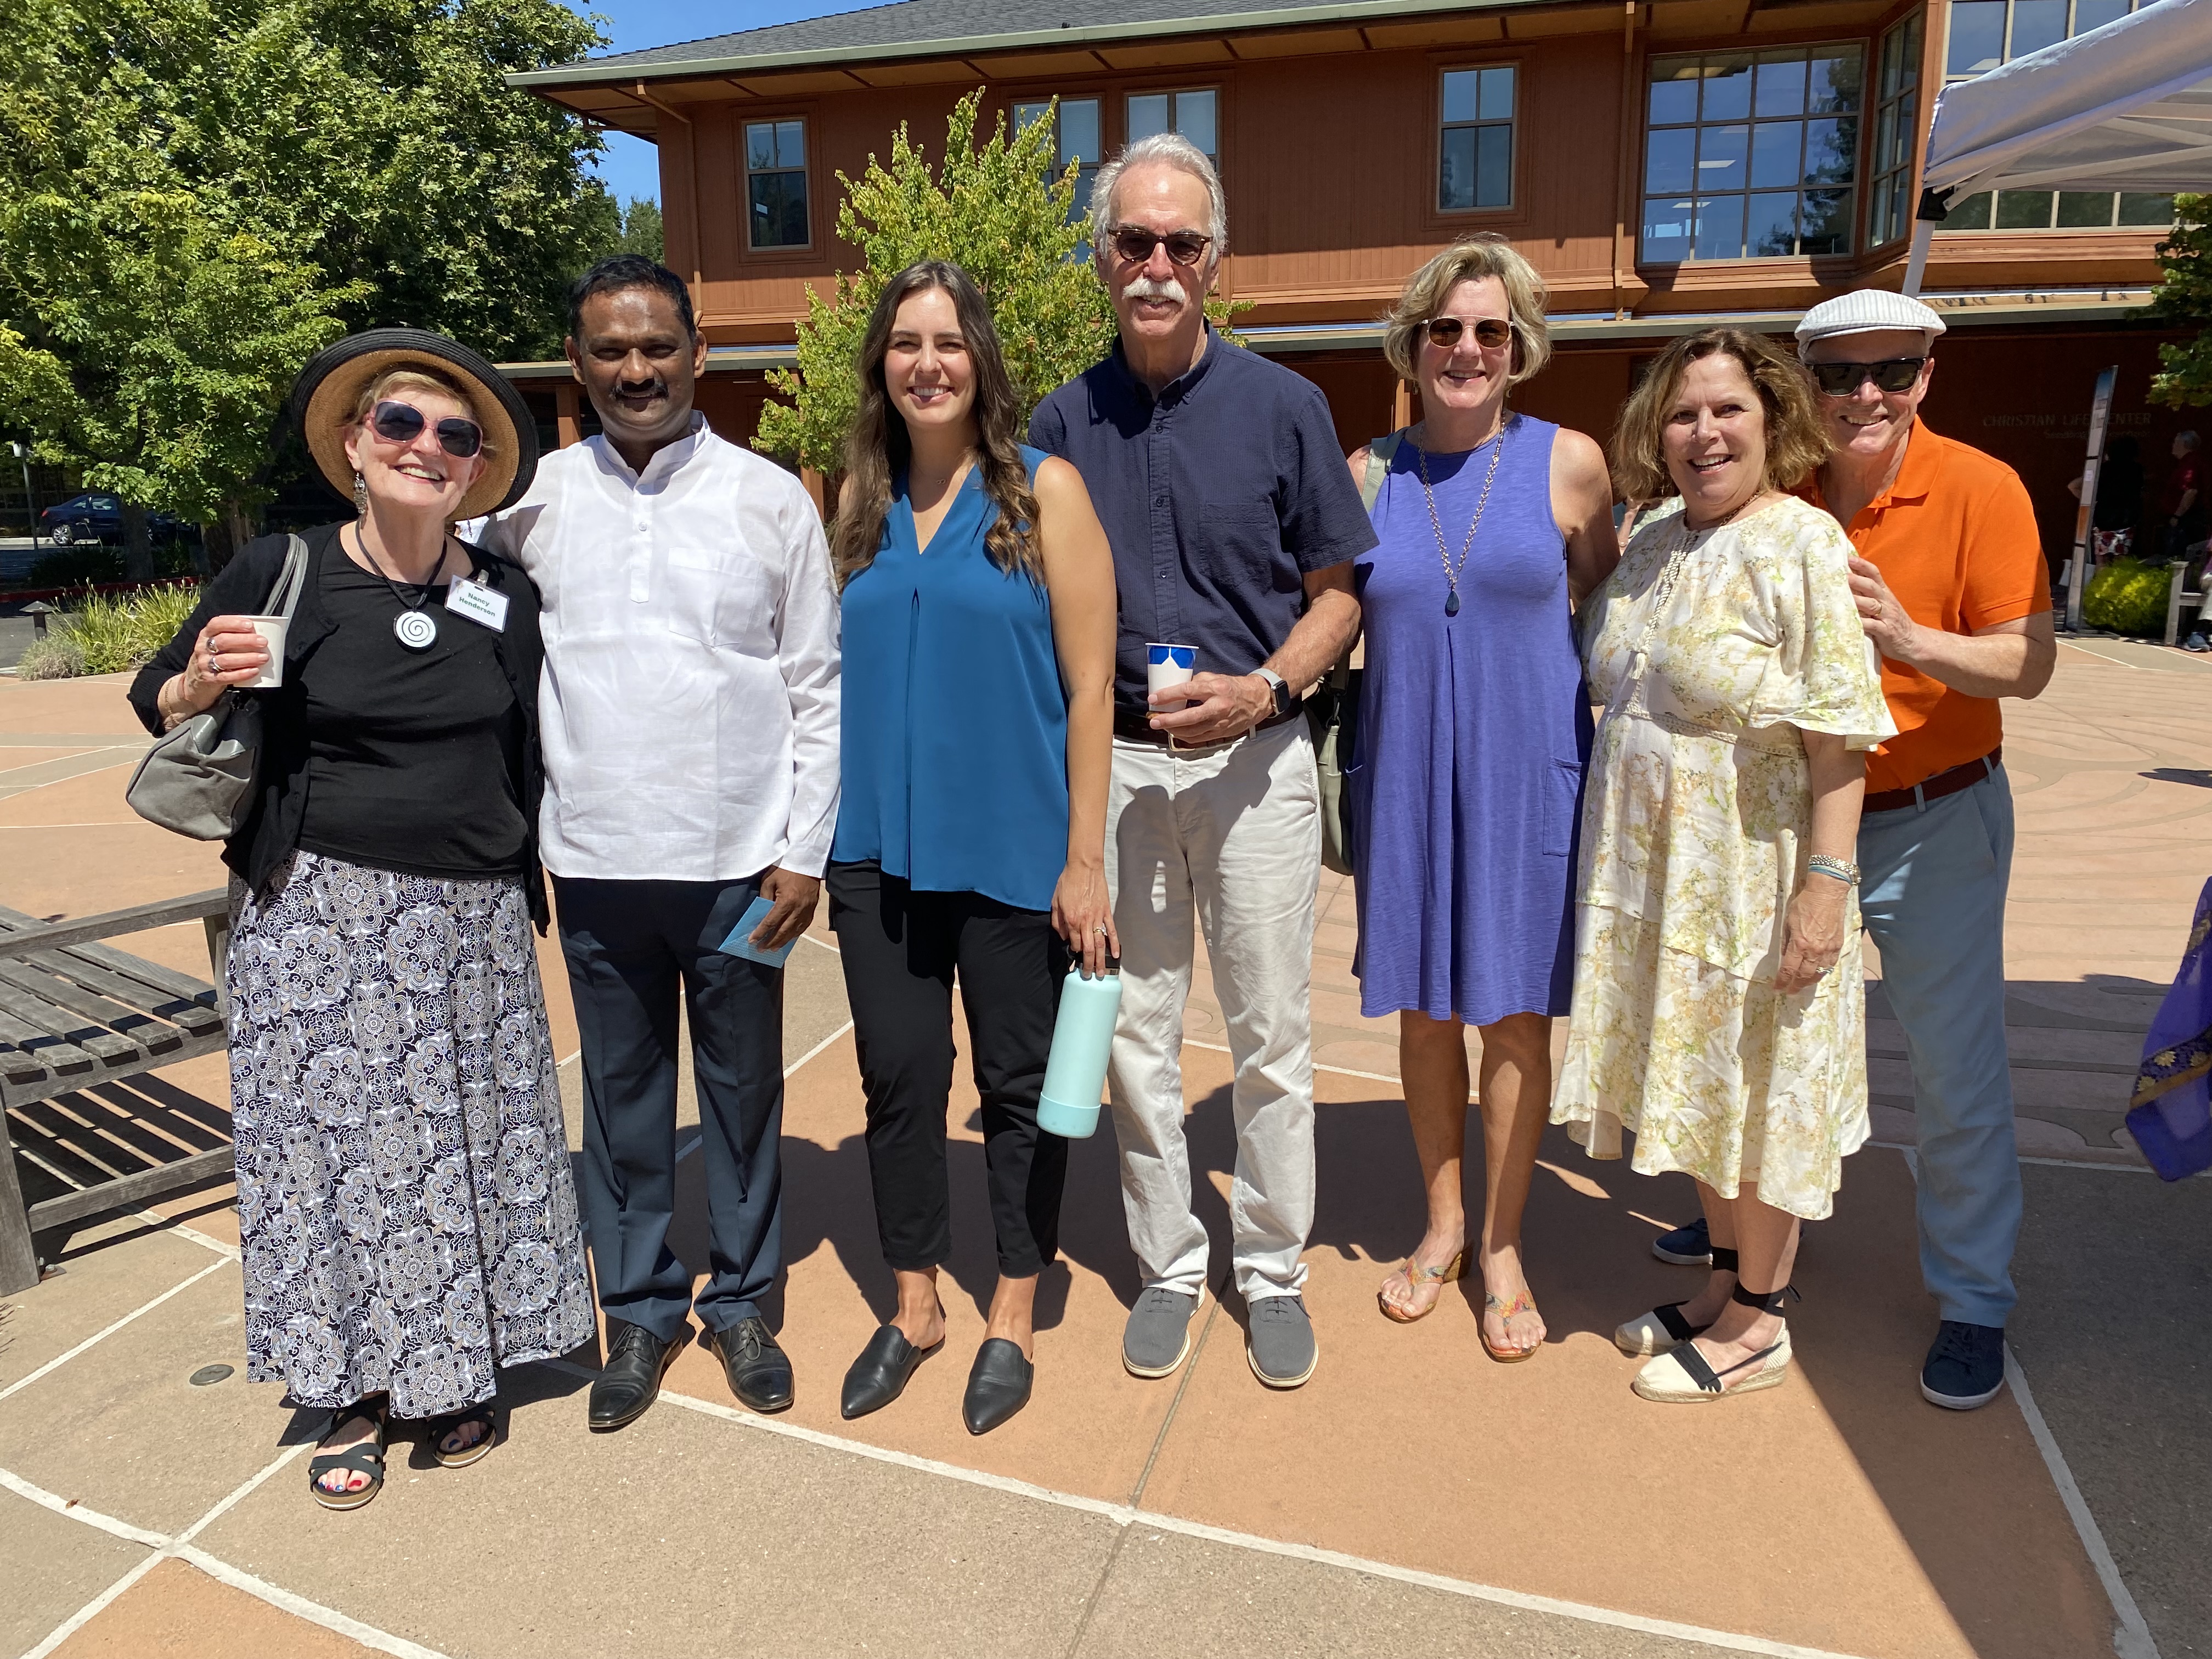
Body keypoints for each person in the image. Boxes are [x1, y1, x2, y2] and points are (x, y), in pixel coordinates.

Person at [130, 331, 589, 1508]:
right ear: (353, 445)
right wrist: (203, 680)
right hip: (323, 914)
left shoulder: (500, 593)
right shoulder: (285, 568)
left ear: (477, 470)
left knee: (461, 1159)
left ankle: (450, 1373)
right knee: (337, 1165)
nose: (424, 448)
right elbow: (158, 697)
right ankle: (348, 1392)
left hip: (475, 919)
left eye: (452, 435)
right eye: (399, 424)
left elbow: (527, 739)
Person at [1029, 133, 1375, 1390]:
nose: (1157, 264)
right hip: (1120, 770)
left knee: (1275, 1034)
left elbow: (1341, 597)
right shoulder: (1063, 421)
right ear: (1105, 259)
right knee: (1138, 1036)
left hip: (1255, 765)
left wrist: (1268, 686)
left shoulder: (1288, 408)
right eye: (1134, 241)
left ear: (1216, 262)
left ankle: (1272, 1270)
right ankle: (1172, 1265)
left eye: (1181, 243)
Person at [473, 256, 840, 1428]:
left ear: (700, 353)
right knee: (623, 1103)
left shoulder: (770, 500)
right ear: (577, 364)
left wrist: (807, 849)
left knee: (741, 1098)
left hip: (742, 865)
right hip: (594, 861)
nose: (637, 370)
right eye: (610, 351)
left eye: (657, 348)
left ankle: (741, 1301)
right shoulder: (525, 508)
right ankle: (634, 1309)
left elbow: (818, 687)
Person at [1551, 327, 1891, 1404]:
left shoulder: (1805, 545)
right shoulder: (1648, 538)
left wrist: (1825, 894)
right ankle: (1719, 1287)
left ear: (1773, 419)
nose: (1705, 433)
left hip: (1755, 879)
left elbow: (1843, 735)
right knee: (1699, 1090)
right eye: (1685, 413)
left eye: (1728, 410)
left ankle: (1762, 1322)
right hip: (1657, 885)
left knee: (1757, 1095)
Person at [826, 261, 1118, 1435]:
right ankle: (913, 1301)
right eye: (906, 342)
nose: (928, 362)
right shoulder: (853, 495)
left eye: (949, 341)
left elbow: (1093, 688)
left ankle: (1010, 1302)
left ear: (981, 359)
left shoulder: (1047, 494)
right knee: (897, 1081)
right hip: (877, 851)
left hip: (1011, 850)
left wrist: (1084, 858)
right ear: (881, 364)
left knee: (1015, 1090)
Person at [1345, 236, 1616, 1360]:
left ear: (1520, 346)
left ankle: (1502, 1244)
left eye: (1490, 331)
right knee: (1425, 1011)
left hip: (1522, 773)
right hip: (1405, 770)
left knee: (1512, 1012)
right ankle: (1444, 1222)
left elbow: (1596, 591)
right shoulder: (1368, 473)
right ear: (1413, 341)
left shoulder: (1572, 465)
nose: (1466, 349)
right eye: (1445, 329)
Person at [1797, 289, 2055, 1407]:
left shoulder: (1981, 488)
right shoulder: (1783, 494)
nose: (1866, 395)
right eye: (1842, 373)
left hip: (1938, 813)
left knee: (1954, 1071)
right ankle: (1750, 1244)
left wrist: (1906, 636)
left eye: (1892, 371)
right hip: (1804, 814)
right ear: (1803, 381)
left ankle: (1974, 1297)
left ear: (1928, 377)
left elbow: (2028, 661)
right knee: (1775, 1043)